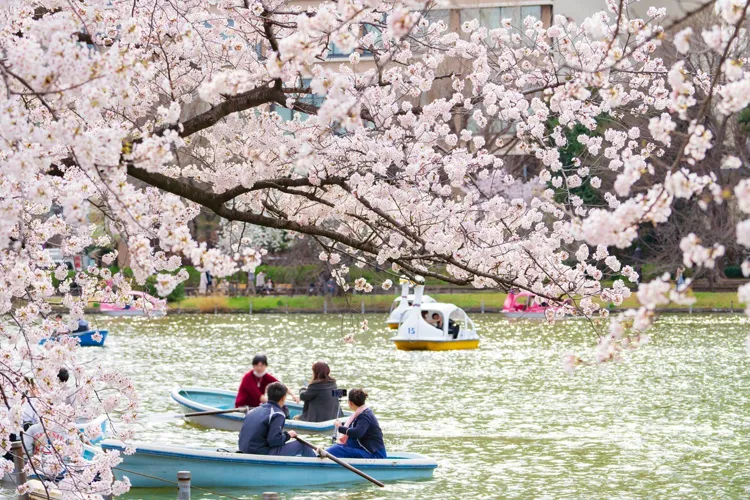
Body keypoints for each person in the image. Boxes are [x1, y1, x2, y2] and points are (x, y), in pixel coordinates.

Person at [238, 382, 317, 457]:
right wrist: (288, 435)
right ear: (283, 397)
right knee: (303, 446)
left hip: (244, 449)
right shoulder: (278, 414)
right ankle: (319, 469)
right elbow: (274, 441)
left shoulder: (253, 411)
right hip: (260, 454)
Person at [326, 389, 386, 459]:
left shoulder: (365, 415)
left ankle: (321, 456)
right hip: (368, 451)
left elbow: (357, 432)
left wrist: (340, 428)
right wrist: (342, 425)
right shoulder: (363, 412)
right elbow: (355, 426)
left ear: (350, 403)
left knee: (336, 449)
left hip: (375, 455)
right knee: (341, 446)